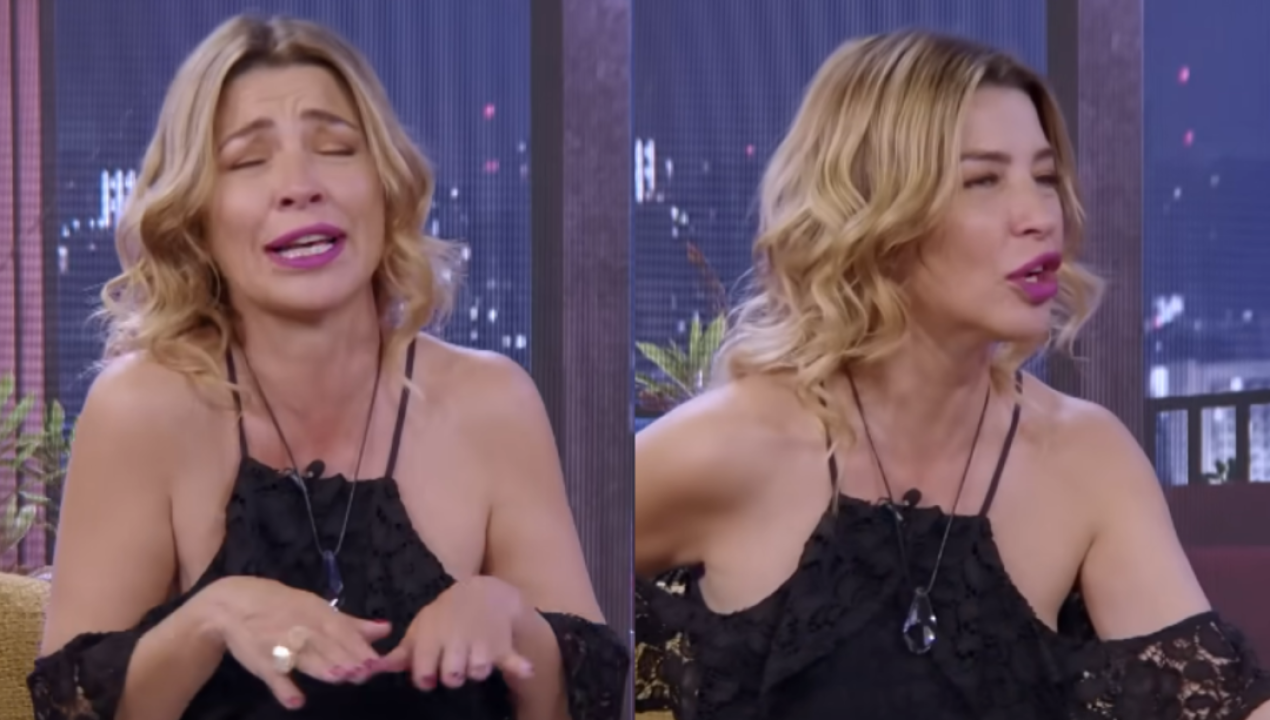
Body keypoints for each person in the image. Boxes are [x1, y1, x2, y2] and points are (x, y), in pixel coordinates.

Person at [634, 30, 1270, 720]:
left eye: (1045, 177)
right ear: (876, 210)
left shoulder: (1086, 459)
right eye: (983, 180)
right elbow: (559, 632)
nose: (1039, 218)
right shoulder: (726, 446)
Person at [29, 14, 628, 720]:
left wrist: (510, 616)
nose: (299, 185)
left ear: (387, 186)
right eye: (248, 161)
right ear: (196, 217)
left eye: (337, 149)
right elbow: (70, 708)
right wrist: (210, 617)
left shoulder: (493, 402)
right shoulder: (141, 410)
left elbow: (576, 703)